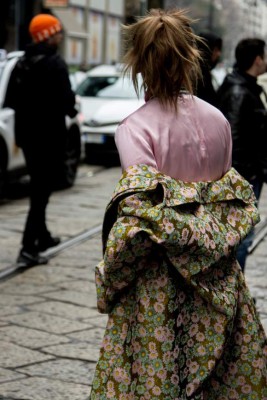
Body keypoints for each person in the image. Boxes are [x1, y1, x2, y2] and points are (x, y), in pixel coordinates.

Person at [90, 9, 267, 399]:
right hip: (220, 280)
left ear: (138, 64)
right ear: (191, 56)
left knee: (159, 380)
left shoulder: (135, 129)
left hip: (159, 291)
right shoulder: (218, 120)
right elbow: (225, 203)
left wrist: (111, 280)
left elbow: (139, 221)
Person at [4, 14, 77, 267]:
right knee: (40, 194)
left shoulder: (22, 63)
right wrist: (71, 108)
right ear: (47, 36)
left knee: (38, 186)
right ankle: (27, 249)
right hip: (49, 139)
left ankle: (43, 237)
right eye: (57, 33)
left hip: (27, 138)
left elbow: (10, 101)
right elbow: (68, 103)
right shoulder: (55, 64)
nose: (60, 37)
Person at [218, 38, 267, 272]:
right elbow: (234, 140)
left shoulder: (245, 87)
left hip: (246, 175)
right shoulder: (240, 91)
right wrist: (248, 174)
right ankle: (234, 295)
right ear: (258, 59)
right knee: (242, 236)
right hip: (243, 178)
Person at [196, 31, 222, 107]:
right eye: (216, 50)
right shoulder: (199, 75)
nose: (218, 54)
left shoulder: (206, 73)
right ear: (207, 49)